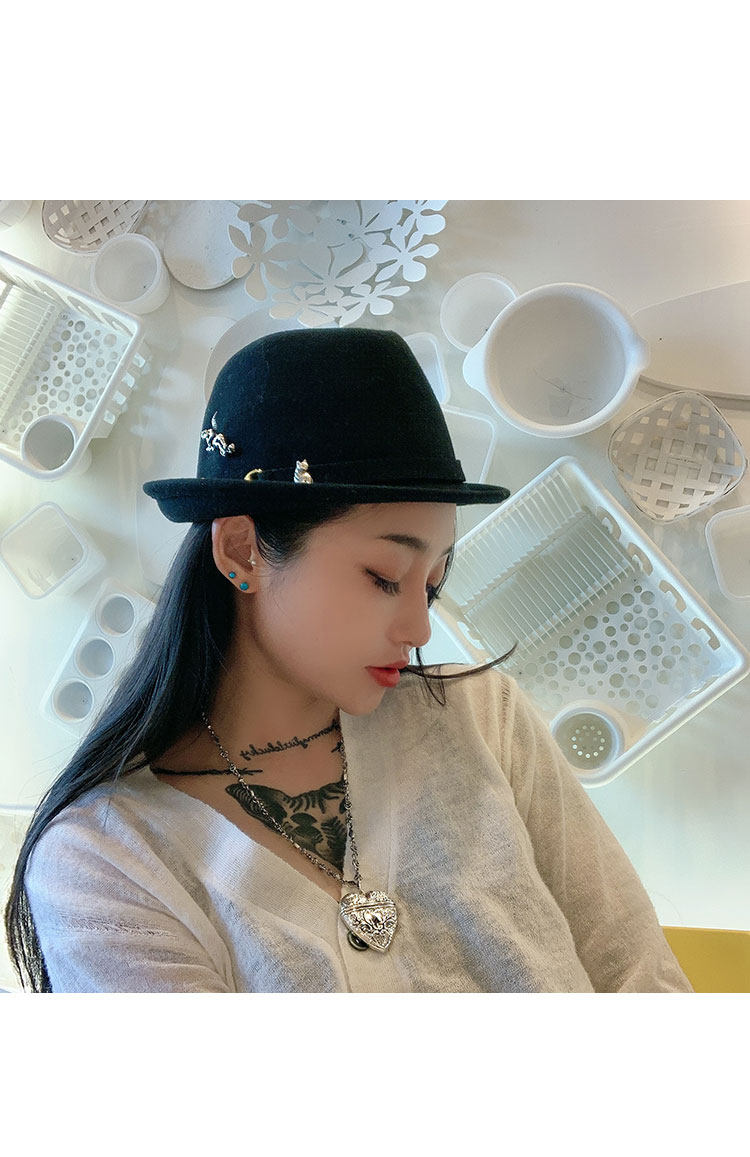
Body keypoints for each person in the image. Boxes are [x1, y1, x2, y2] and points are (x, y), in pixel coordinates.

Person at [5, 328, 692, 993]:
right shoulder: (105, 863)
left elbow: (642, 978)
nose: (419, 627)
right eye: (385, 577)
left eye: (432, 584)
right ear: (242, 550)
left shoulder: (483, 719)